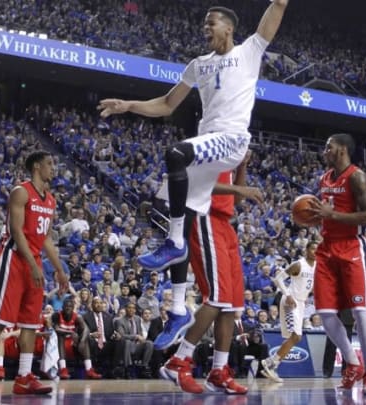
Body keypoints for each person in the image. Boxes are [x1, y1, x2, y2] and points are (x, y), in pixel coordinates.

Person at [97, 0, 289, 349]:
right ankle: (177, 309)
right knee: (177, 214)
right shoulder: (198, 65)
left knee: (176, 155)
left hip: (230, 140)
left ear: (229, 28)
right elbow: (168, 104)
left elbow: (275, 10)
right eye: (204, 24)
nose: (205, 28)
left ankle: (173, 243)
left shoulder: (249, 51)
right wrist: (129, 106)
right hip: (206, 143)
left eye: (211, 23)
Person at [0, 151, 69, 395]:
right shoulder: (21, 191)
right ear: (37, 166)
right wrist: (31, 265)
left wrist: (60, 271)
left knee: (31, 321)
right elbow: (16, 232)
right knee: (1, 319)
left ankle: (23, 377)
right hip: (13, 259)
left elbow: (47, 240)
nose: (54, 167)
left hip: (34, 261)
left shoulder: (50, 199)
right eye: (50, 163)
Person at [160, 154, 263, 394]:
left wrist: (242, 166)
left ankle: (219, 370)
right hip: (205, 218)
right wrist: (241, 187)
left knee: (231, 305)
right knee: (216, 297)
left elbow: (235, 199)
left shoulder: (231, 155)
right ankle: (178, 360)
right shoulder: (210, 147)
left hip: (225, 224)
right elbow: (196, 184)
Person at [307, 133, 366, 396]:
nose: (325, 150)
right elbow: (326, 212)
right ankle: (352, 362)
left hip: (351, 246)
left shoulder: (356, 176)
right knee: (325, 313)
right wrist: (315, 216)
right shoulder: (324, 178)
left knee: (360, 310)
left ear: (342, 150)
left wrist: (332, 214)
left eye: (329, 146)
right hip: (326, 248)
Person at [261, 242, 317, 383]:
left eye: (318, 249)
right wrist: (287, 294)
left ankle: (270, 362)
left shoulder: (317, 266)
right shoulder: (298, 264)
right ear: (306, 250)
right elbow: (278, 278)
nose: (315, 251)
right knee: (295, 336)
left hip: (301, 302)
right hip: (289, 301)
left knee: (296, 338)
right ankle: (272, 364)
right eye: (312, 248)